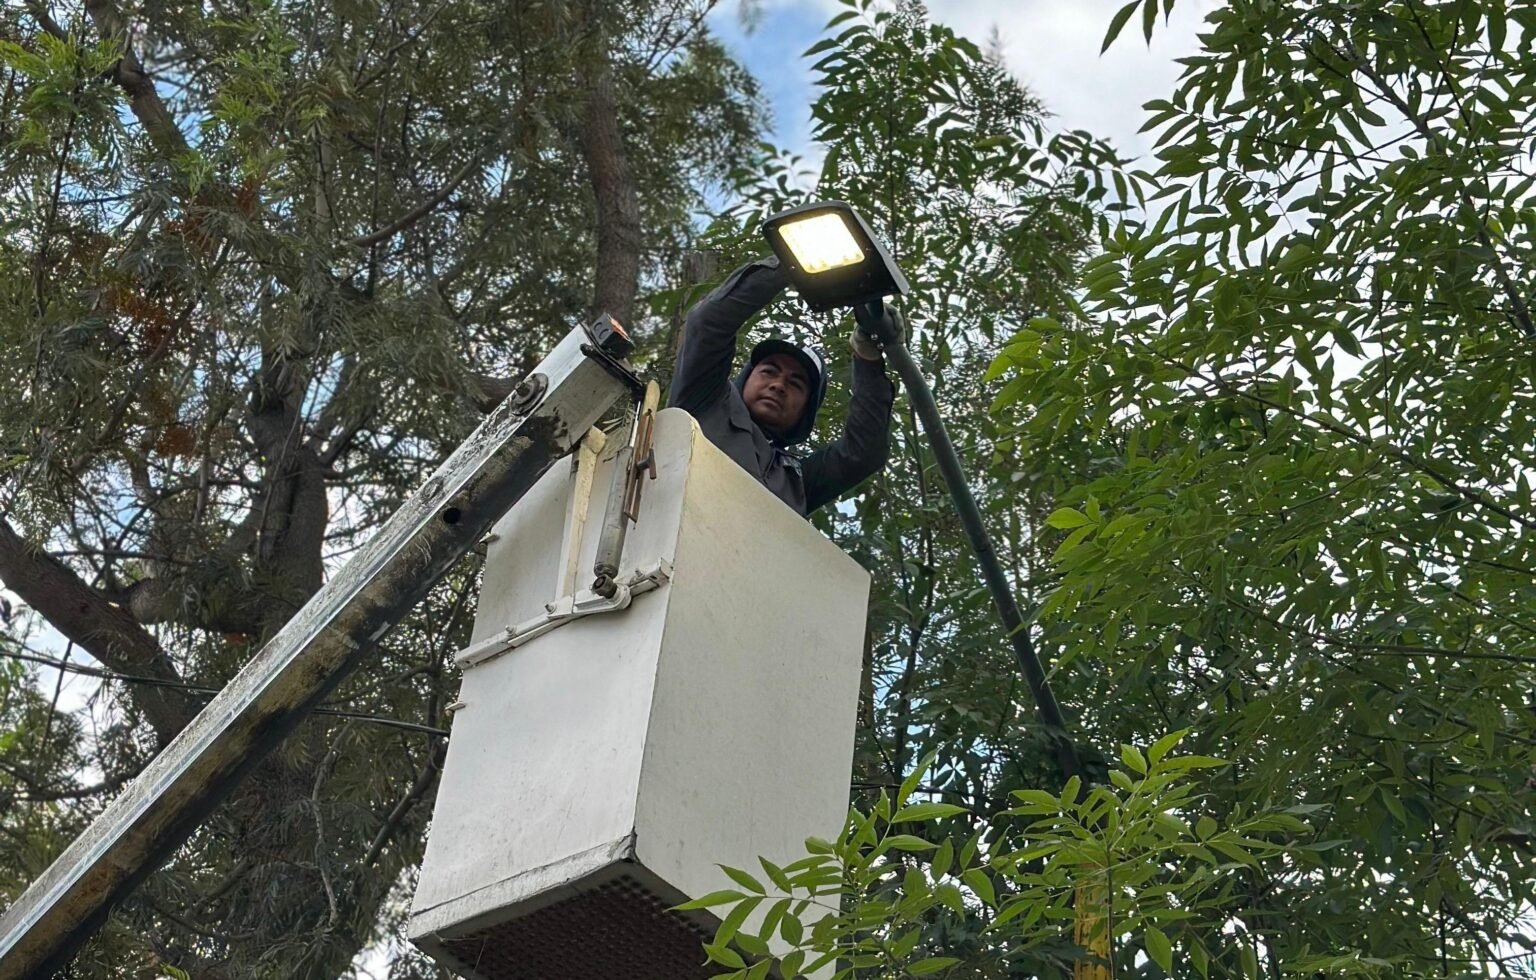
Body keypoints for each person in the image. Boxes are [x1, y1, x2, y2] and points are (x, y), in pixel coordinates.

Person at [668, 255, 899, 516]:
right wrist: (792, 263)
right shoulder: (704, 400)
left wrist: (867, 357)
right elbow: (709, 323)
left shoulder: (797, 482)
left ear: (806, 410)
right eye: (769, 371)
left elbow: (864, 453)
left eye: (796, 384)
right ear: (747, 376)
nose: (778, 385)